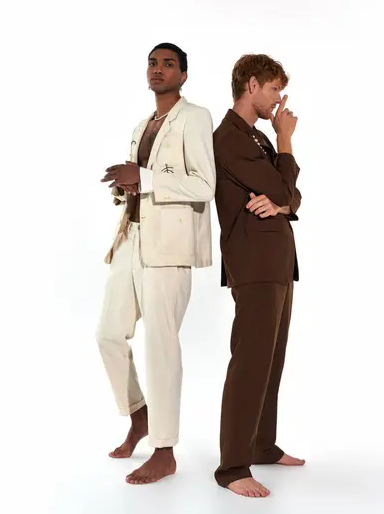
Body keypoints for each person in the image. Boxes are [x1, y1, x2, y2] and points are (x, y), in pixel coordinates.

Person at [97, 43, 215, 485]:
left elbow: (204, 185)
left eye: (168, 64)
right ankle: (139, 415)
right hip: (130, 237)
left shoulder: (196, 117)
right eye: (152, 62)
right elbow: (146, 183)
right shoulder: (141, 125)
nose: (158, 69)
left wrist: (143, 178)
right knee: (108, 334)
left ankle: (164, 451)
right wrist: (125, 187)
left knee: (160, 345)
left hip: (169, 249)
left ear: (183, 76)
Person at [213, 54, 304, 498]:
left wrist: (283, 201)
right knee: (250, 361)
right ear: (252, 85)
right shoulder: (229, 137)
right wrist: (285, 140)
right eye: (273, 90)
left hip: (278, 264)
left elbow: (291, 195)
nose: (279, 100)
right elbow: (286, 187)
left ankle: (263, 445)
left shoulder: (256, 139)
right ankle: (232, 467)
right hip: (253, 263)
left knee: (272, 359)